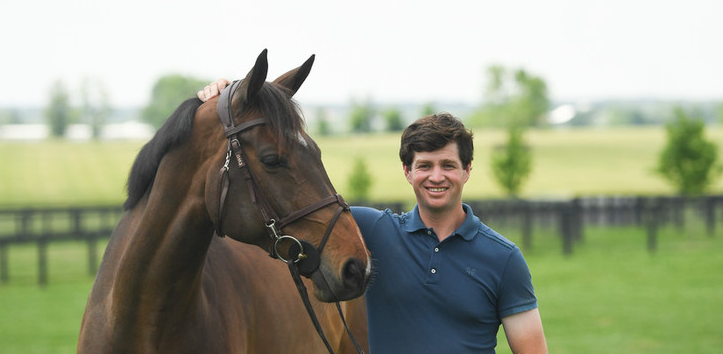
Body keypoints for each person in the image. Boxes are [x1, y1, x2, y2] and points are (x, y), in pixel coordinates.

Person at [198, 80, 548, 354]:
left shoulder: (503, 258)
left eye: (448, 166)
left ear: (467, 170)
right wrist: (227, 100)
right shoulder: (372, 232)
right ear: (407, 172)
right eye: (424, 166)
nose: (436, 176)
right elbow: (298, 206)